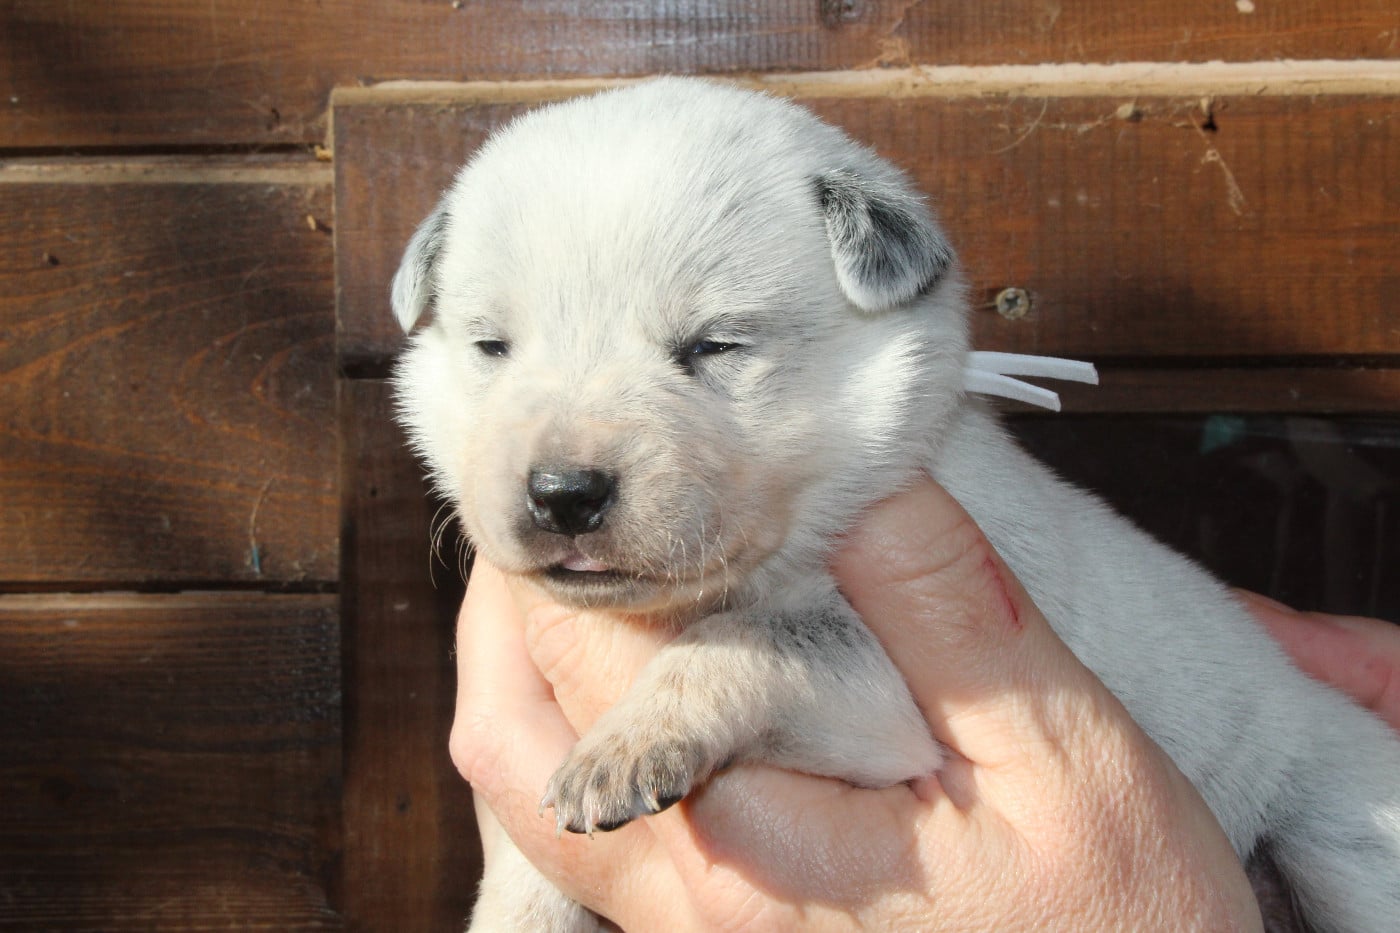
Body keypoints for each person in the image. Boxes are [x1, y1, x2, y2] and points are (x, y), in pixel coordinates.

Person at [450, 478, 1400, 932]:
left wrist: (703, 696)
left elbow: (889, 714)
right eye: (494, 345)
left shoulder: (905, 487)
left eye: (712, 348)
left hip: (1284, 794)